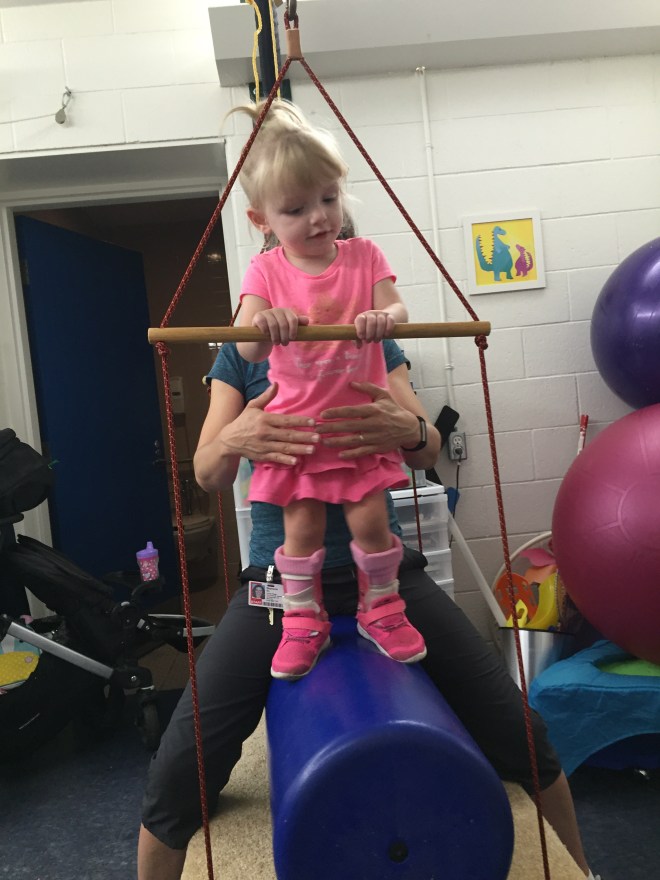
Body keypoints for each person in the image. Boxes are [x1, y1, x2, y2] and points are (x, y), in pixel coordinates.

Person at [137, 336, 599, 880]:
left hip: (385, 581)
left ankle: (582, 870)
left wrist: (408, 428)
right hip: (278, 588)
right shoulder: (245, 350)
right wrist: (235, 437)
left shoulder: (370, 337)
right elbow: (207, 472)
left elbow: (426, 450)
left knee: (524, 736)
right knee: (176, 775)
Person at [233, 99, 425, 679]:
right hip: (299, 433)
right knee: (302, 529)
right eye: (296, 209)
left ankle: (381, 608)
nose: (319, 218)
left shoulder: (364, 257)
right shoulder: (266, 272)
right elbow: (246, 347)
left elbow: (398, 306)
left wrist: (385, 317)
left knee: (371, 522)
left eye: (328, 199)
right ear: (262, 220)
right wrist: (264, 323)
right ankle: (302, 619)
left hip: (356, 429)